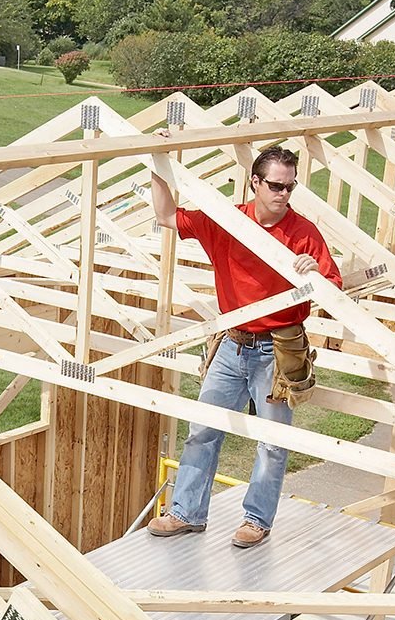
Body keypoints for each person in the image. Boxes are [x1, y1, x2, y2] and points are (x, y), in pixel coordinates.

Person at [145, 145, 343, 549]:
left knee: (272, 443)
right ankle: (186, 512)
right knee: (202, 431)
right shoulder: (228, 221)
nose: (283, 194)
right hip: (232, 345)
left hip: (276, 351)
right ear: (255, 182)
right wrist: (158, 161)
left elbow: (335, 284)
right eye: (275, 185)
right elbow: (166, 216)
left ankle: (257, 520)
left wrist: (316, 271)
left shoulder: (303, 232)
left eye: (290, 187)